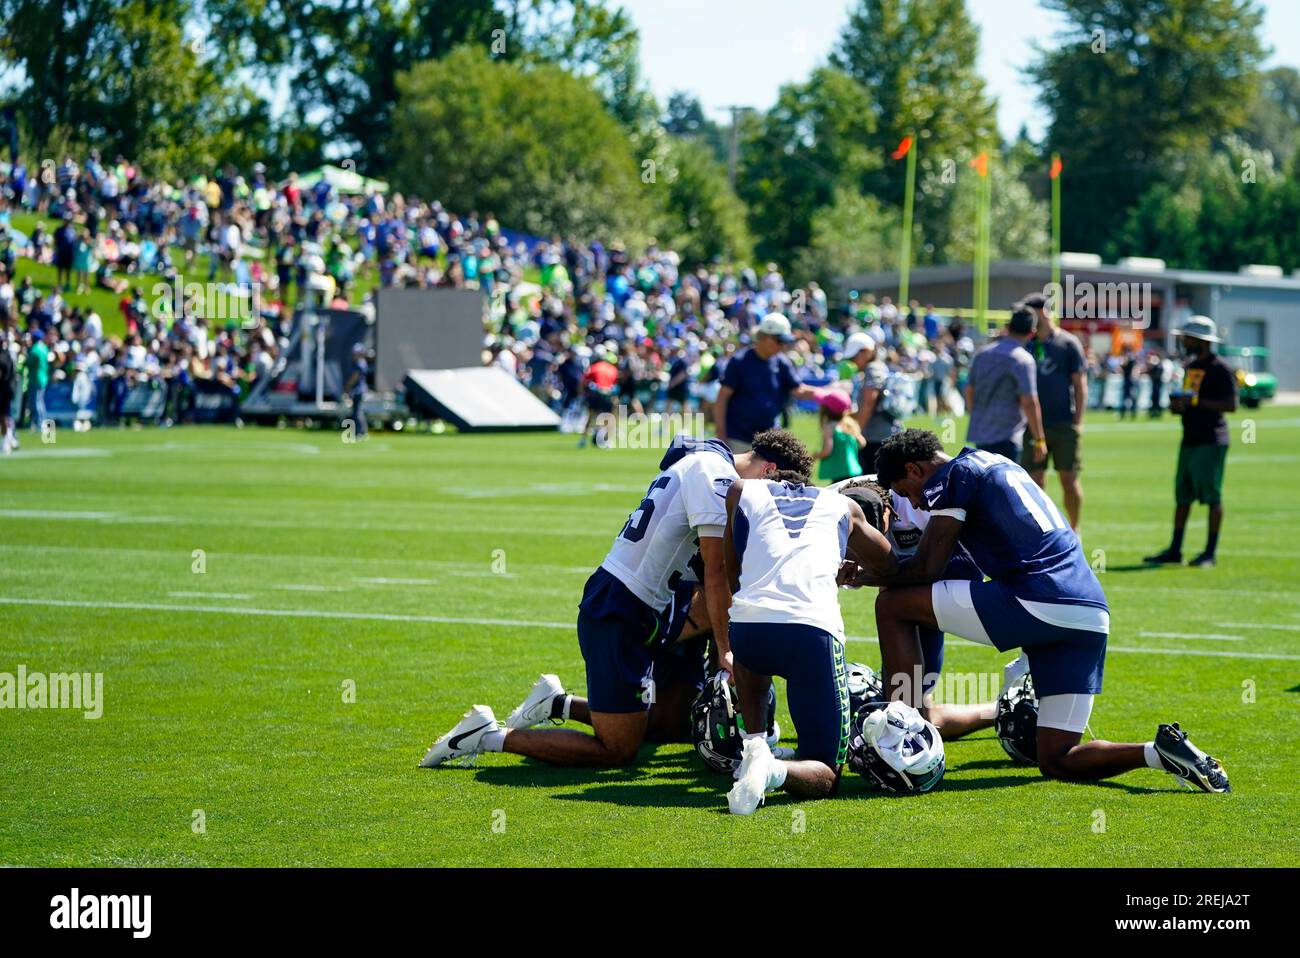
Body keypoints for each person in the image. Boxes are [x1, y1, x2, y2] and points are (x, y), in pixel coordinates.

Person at [856, 428, 1230, 791]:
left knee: (892, 605)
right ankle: (1158, 753)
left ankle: (901, 731)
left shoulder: (954, 475)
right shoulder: (994, 462)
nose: (916, 504)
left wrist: (862, 576)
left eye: (908, 493)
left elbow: (926, 570)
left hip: (1036, 599)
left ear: (914, 469)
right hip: (1090, 614)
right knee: (1058, 759)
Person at [419, 429, 815, 769]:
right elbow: (715, 572)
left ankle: (558, 703)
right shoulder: (716, 475)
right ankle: (486, 736)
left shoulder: (707, 463)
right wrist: (729, 651)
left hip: (648, 605)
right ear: (768, 471)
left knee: (663, 727)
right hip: (623, 607)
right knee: (617, 749)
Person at [721, 471, 895, 814]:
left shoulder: (740, 490)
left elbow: (734, 575)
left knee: (753, 664)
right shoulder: (844, 506)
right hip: (811, 632)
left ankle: (754, 748)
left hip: (748, 629)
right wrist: (852, 575)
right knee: (826, 771)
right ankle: (771, 770)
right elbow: (891, 565)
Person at [1144, 317, 1237, 568]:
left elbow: (1231, 404)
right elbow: (1190, 400)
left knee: (1211, 497)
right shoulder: (1191, 365)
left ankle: (1210, 552)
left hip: (1211, 440)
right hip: (1189, 439)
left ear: (1200, 340)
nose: (1183, 342)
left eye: (1186, 338)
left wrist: (1196, 403)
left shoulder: (1220, 368)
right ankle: (1175, 549)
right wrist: (1179, 406)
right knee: (1182, 497)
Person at [1022, 293, 1087, 531]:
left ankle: (1075, 530)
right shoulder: (1026, 343)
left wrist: (1077, 423)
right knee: (1034, 481)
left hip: (1062, 423)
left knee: (1068, 480)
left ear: (1043, 311)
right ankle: (1043, 533)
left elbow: (1080, 384)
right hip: (1032, 424)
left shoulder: (1068, 343)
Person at [713, 314, 816, 452]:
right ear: (766, 337)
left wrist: (827, 392)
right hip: (739, 438)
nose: (783, 346)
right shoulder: (739, 361)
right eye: (780, 341)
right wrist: (721, 432)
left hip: (770, 439)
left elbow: (798, 390)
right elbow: (722, 397)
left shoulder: (782, 362)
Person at [965, 305, 1047, 466]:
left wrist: (977, 414)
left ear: (1008, 328)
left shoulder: (982, 353)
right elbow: (1029, 402)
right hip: (1007, 435)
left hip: (981, 432)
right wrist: (1039, 440)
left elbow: (969, 390)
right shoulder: (1023, 359)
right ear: (1032, 332)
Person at [843, 332, 900, 470]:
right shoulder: (879, 366)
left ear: (866, 352)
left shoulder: (872, 369)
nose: (853, 362)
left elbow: (869, 403)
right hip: (885, 433)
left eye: (854, 357)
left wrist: (857, 432)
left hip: (876, 437)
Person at [811, 388, 865, 484]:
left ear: (826, 410)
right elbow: (862, 443)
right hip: (854, 470)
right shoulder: (849, 424)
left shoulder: (829, 427)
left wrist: (813, 456)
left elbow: (827, 451)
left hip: (839, 473)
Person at [343, 342, 369, 440]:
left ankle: (360, 432)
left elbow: (355, 377)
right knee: (358, 412)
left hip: (359, 390)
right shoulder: (359, 362)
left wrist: (347, 387)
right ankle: (361, 431)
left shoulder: (360, 363)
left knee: (357, 412)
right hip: (358, 390)